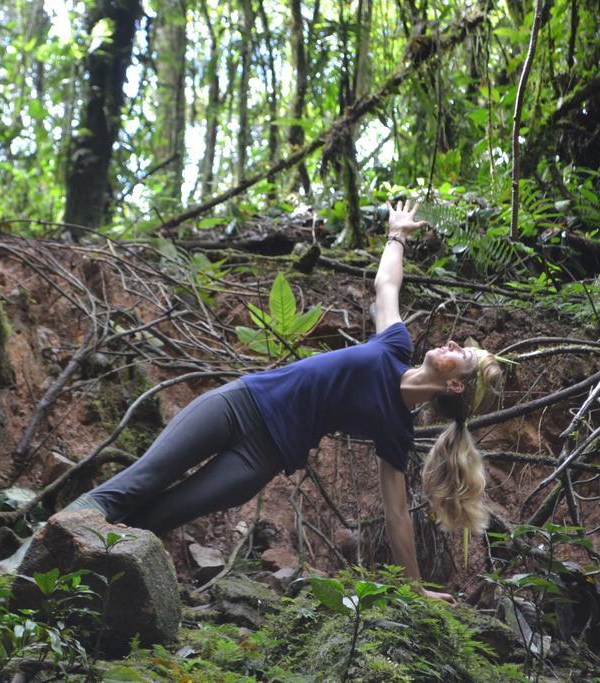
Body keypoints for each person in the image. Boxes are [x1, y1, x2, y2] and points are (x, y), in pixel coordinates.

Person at [64, 201, 503, 603]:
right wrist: (396, 234)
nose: (450, 343)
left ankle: (71, 592)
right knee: (136, 484)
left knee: (158, 517)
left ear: (456, 387)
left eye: (461, 355)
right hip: (240, 404)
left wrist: (414, 591)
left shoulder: (397, 429)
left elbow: (397, 517)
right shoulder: (394, 344)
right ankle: (26, 561)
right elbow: (386, 282)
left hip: (259, 460)